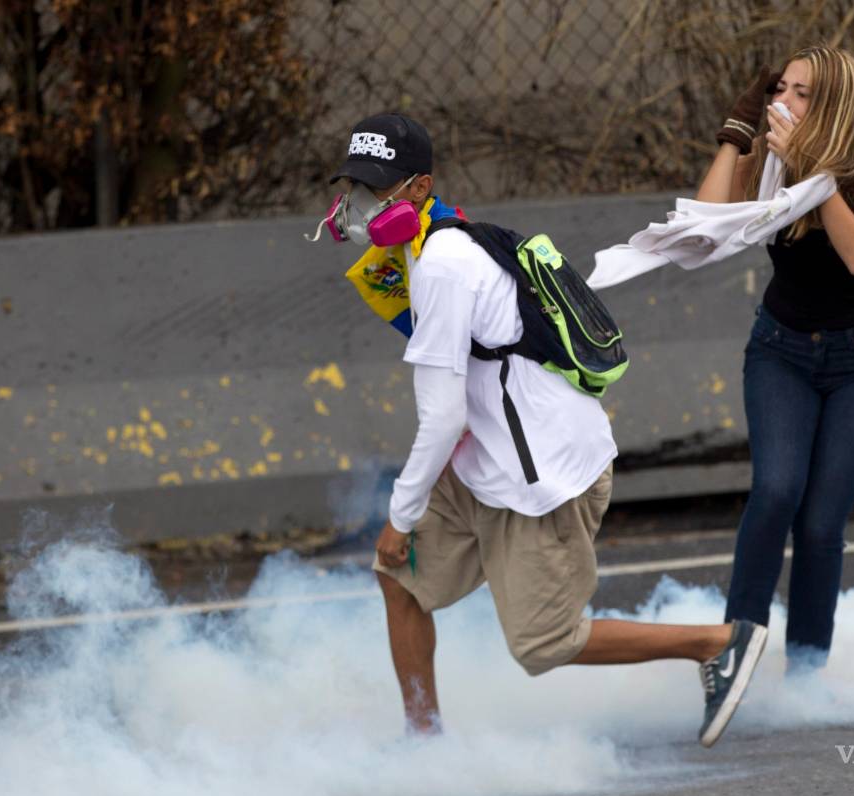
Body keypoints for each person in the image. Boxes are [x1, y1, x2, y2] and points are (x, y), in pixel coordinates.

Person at [324, 113, 767, 745]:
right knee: (398, 580)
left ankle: (718, 642)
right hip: (490, 462)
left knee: (543, 644)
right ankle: (424, 746)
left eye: (378, 187)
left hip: (542, 478)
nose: (360, 204)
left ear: (419, 190)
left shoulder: (443, 263)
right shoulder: (430, 246)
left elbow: (443, 416)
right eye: (354, 185)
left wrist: (400, 515)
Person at [695, 47, 854, 668]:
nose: (782, 104)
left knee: (820, 526)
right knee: (775, 491)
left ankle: (808, 671)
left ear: (836, 105)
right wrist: (737, 138)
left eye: (801, 94)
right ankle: (732, 651)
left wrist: (813, 172)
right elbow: (709, 222)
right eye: (779, 90)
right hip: (781, 351)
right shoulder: (771, 158)